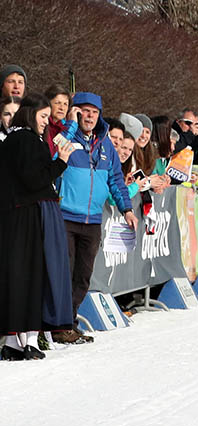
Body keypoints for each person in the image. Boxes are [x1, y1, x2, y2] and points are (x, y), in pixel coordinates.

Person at [0, 95, 77, 359]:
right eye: (43, 116)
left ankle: (13, 341)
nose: (47, 122)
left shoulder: (9, 142)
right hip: (31, 215)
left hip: (10, 216)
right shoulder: (30, 141)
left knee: (13, 276)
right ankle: (30, 339)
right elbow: (35, 180)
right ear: (31, 114)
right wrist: (60, 162)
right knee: (35, 274)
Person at [56, 92, 136, 341]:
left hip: (92, 220)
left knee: (82, 276)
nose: (89, 116)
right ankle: (59, 325)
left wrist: (127, 209)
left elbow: (115, 179)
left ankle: (68, 322)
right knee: (64, 273)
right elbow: (53, 155)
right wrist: (70, 125)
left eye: (94, 112)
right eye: (84, 110)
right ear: (75, 111)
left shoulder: (105, 145)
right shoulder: (65, 136)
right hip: (66, 217)